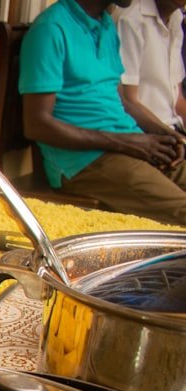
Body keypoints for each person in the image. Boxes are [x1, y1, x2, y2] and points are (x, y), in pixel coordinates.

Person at [20, 0, 186, 225]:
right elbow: (36, 125)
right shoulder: (51, 29)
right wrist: (126, 143)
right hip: (85, 163)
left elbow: (122, 102)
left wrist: (169, 137)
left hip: (130, 148)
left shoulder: (106, 25)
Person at [116, 0, 186, 136]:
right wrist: (177, 139)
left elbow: (178, 100)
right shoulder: (131, 19)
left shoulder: (176, 17)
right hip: (146, 134)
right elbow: (129, 102)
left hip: (173, 129)